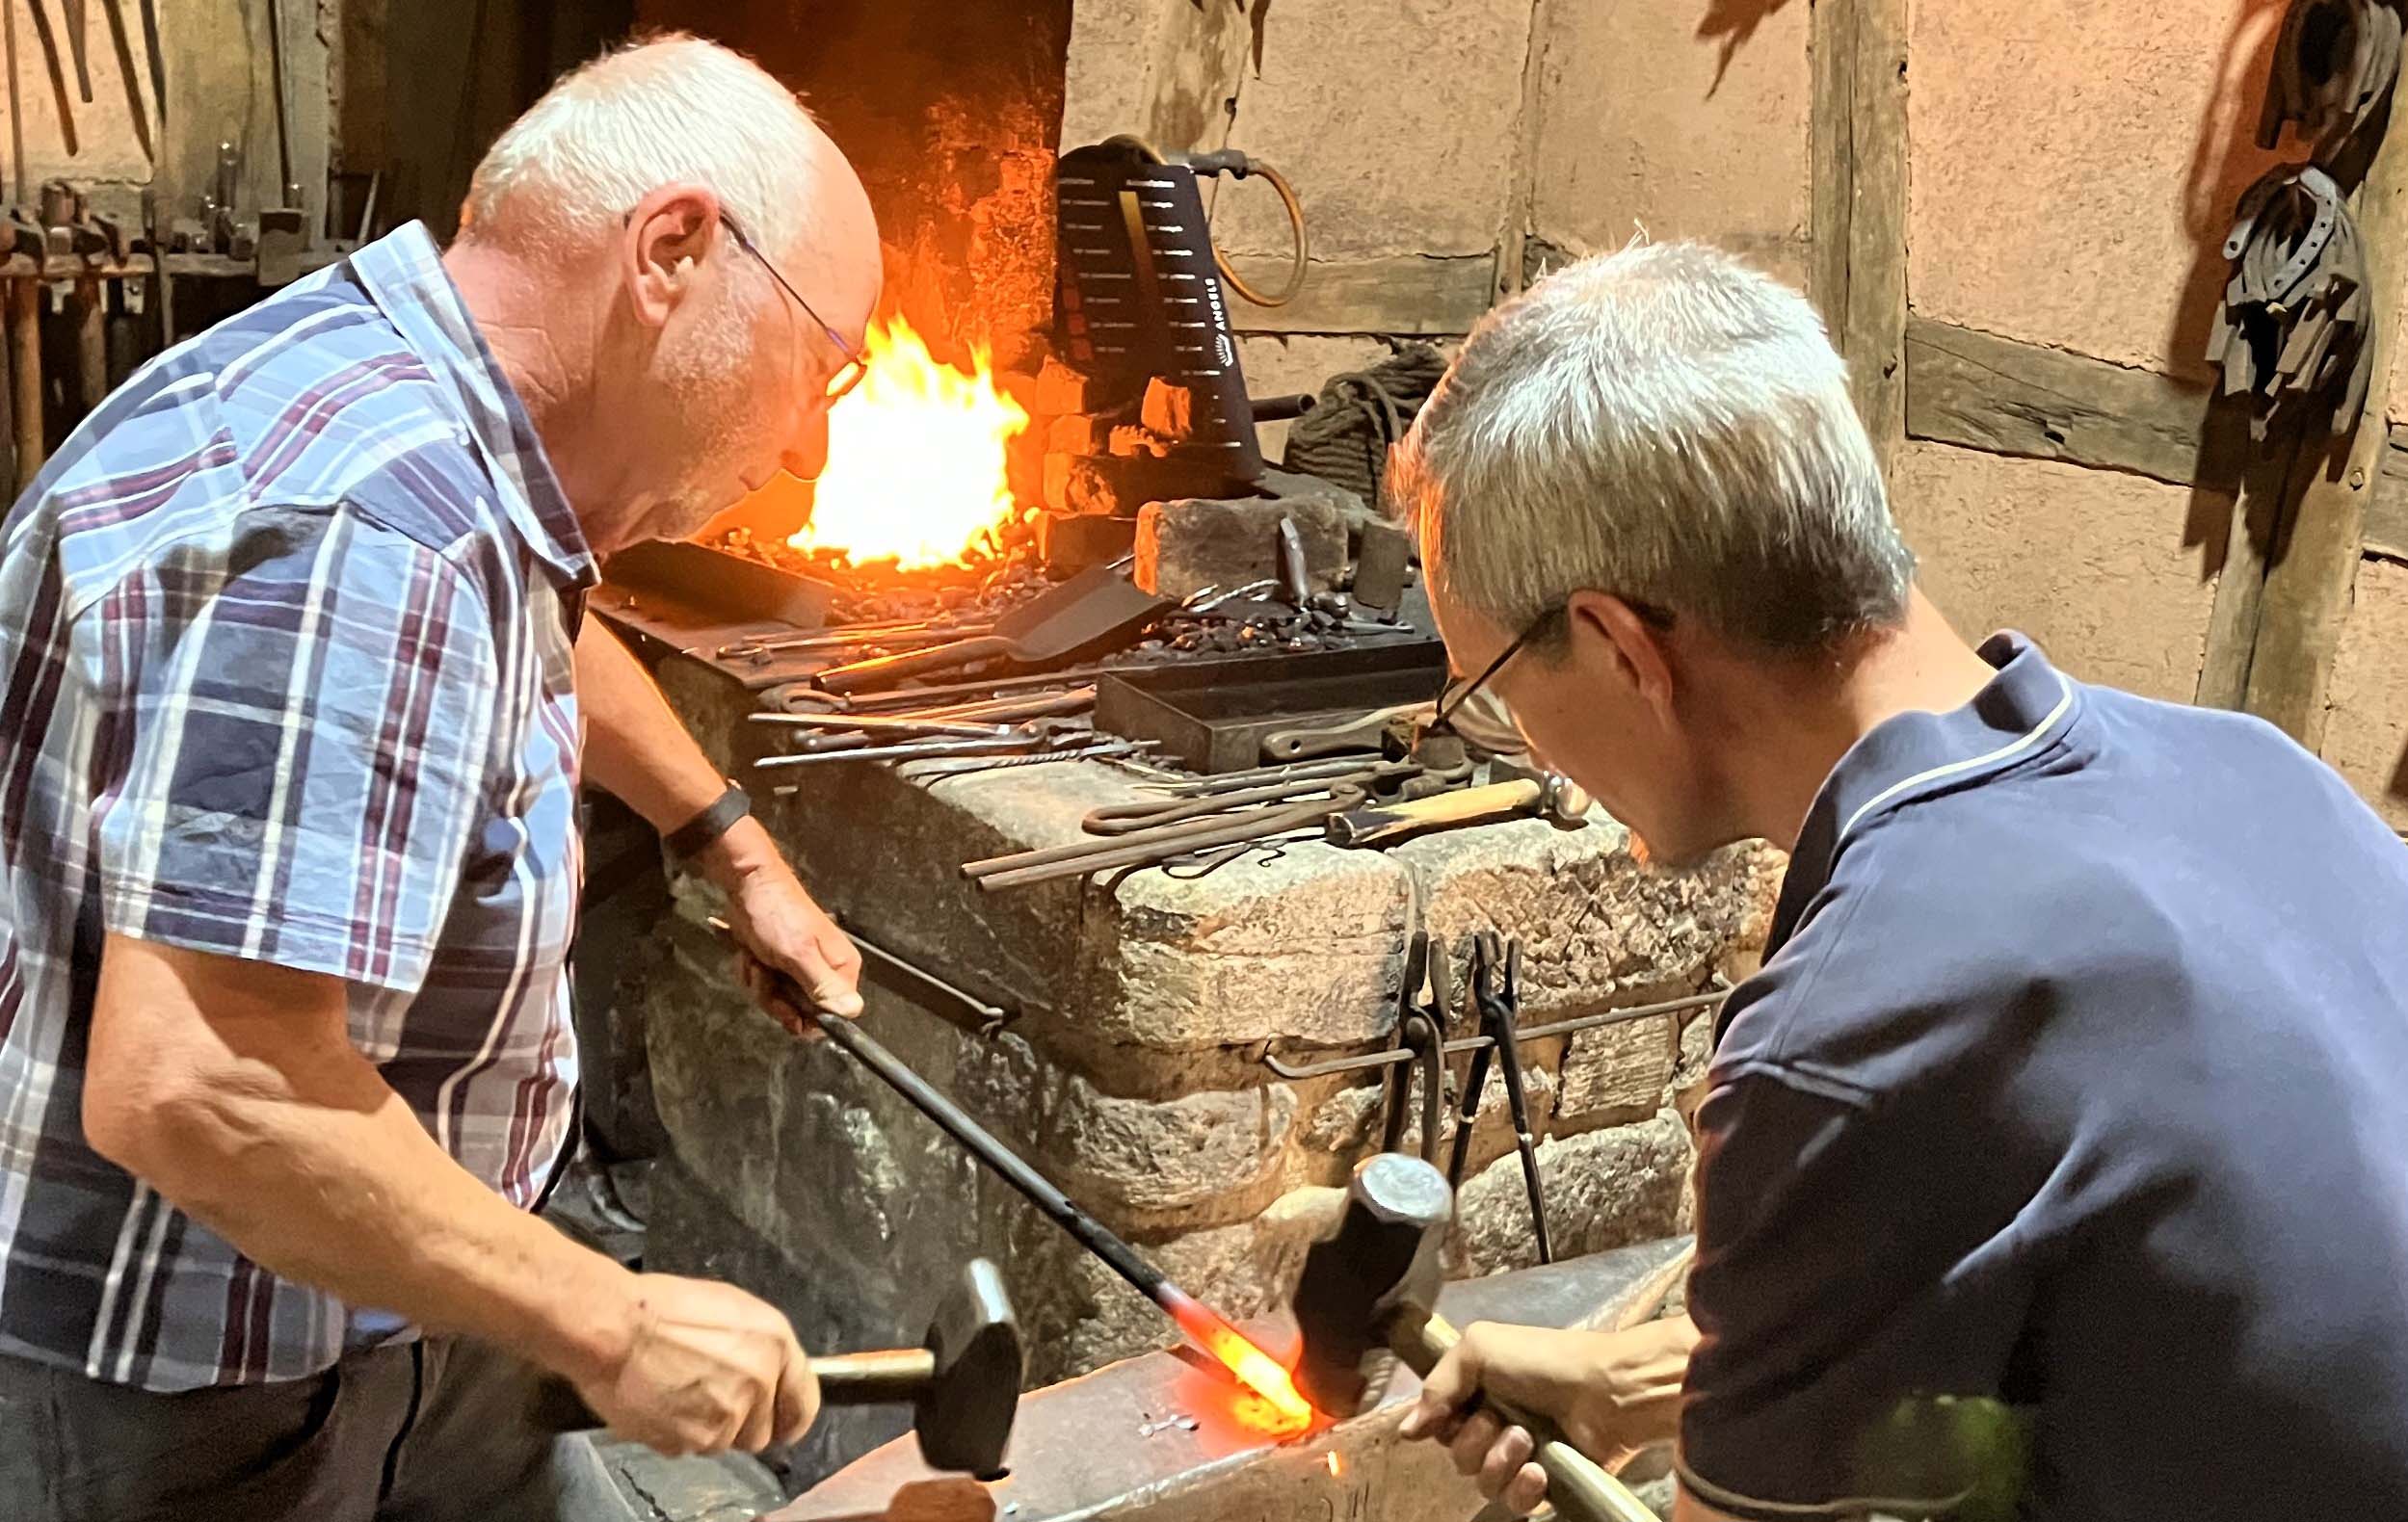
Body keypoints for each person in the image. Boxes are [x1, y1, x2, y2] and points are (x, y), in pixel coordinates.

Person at [0, 34, 881, 1521]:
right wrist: (615, 1318)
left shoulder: (425, 408)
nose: (805, 442)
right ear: (671, 248)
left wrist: (728, 839)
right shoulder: (363, 530)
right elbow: (206, 1086)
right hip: (207, 1366)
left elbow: (527, 623)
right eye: (823, 365)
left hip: (412, 1294)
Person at [1388, 242, 2408, 1521]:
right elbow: (2097, 1290)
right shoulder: (2261, 775)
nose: (1519, 743)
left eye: (1489, 692)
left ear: (1614, 645)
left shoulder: (1855, 1027)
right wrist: (1627, 1385)